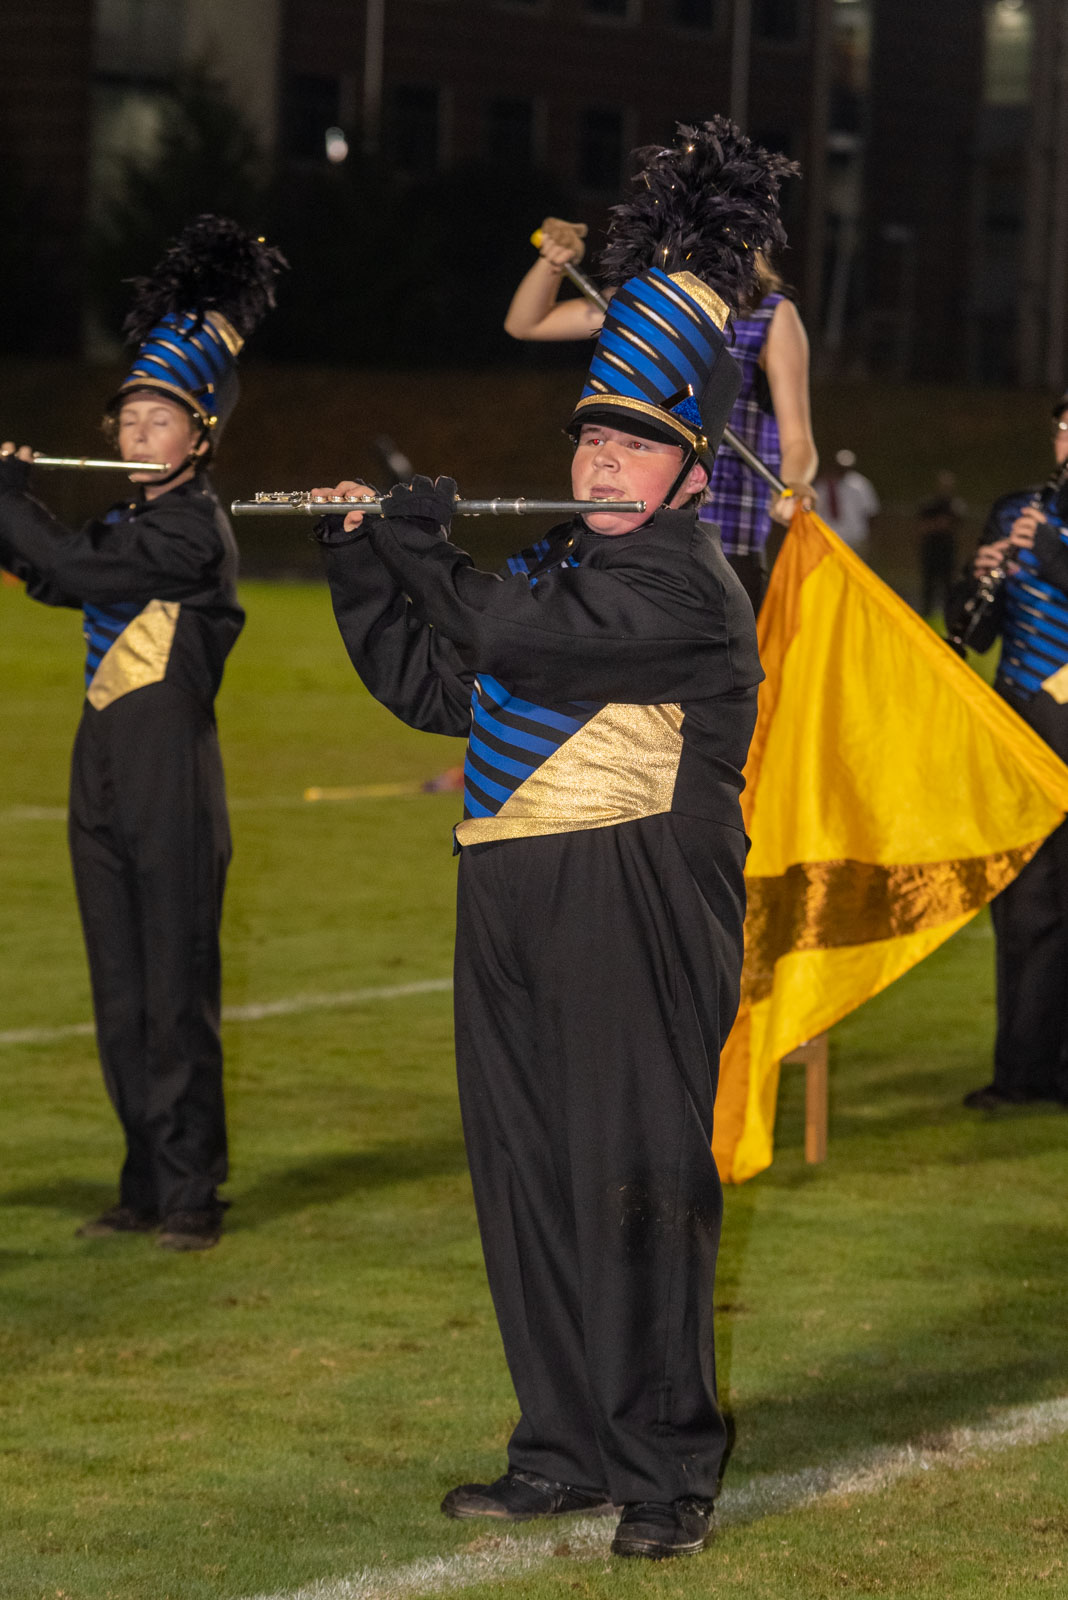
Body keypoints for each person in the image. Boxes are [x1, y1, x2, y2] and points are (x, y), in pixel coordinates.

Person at [313, 131, 791, 1560]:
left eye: (631, 442)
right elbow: (436, 685)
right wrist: (359, 559)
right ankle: (563, 1446)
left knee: (638, 1187)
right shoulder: (556, 565)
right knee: (526, 1179)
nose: (599, 456)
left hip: (631, 908)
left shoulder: (689, 589)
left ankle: (665, 1470)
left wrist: (425, 549)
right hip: (512, 904)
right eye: (589, 435)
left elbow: (506, 630)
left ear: (692, 471)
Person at [0, 216, 285, 1249]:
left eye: (158, 420)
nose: (135, 434)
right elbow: (50, 574)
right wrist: (12, 515)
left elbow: (72, 569)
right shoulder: (127, 522)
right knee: (120, 991)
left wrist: (13, 505)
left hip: (170, 774)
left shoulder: (190, 528)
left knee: (175, 991)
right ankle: (143, 1181)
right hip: (102, 770)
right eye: (128, 419)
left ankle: (192, 1192)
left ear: (200, 438)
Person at [503, 120, 818, 612]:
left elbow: (798, 440)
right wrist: (553, 261)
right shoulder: (644, 307)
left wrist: (796, 483)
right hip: (634, 531)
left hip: (724, 541)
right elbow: (527, 323)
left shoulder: (773, 316)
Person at [946, 395, 1068, 1110]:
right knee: (1024, 906)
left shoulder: (1043, 531)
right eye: (1064, 429)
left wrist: (1050, 555)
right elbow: (977, 632)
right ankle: (1021, 1073)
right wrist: (977, 579)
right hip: (1021, 726)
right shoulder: (1016, 509)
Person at [918, 470, 966, 618]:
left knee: (948, 586)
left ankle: (949, 616)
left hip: (947, 550)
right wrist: (937, 525)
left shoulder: (955, 505)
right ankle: (926, 615)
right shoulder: (929, 504)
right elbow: (922, 527)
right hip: (931, 549)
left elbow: (959, 527)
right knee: (929, 586)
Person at [813, 448, 880, 556]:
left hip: (855, 536)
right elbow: (814, 511)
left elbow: (871, 511)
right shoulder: (823, 485)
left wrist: (870, 536)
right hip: (829, 537)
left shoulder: (859, 484)